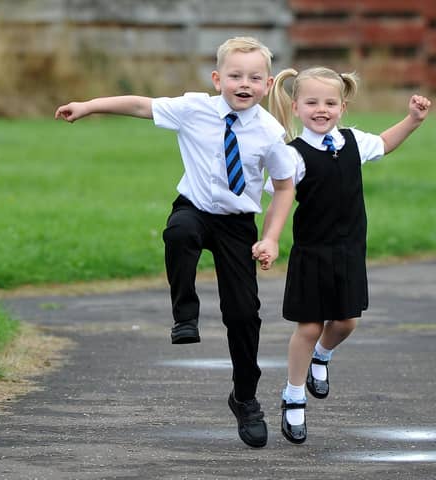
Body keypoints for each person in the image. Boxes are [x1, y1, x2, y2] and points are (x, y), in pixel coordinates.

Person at [54, 37, 295, 448]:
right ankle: (185, 316)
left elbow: (284, 187)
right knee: (179, 232)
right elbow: (138, 105)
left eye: (254, 78)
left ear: (268, 85)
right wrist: (89, 106)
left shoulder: (271, 132)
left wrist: (271, 238)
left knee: (243, 315)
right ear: (218, 78)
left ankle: (246, 397)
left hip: (238, 225)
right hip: (195, 208)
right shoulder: (194, 109)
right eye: (235, 75)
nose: (244, 83)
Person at [260, 66, 431, 444]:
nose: (321, 110)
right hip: (311, 253)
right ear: (296, 105)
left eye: (330, 103)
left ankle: (322, 356)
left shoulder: (353, 141)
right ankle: (292, 396)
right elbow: (279, 203)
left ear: (343, 105)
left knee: (346, 322)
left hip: (349, 251)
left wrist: (413, 120)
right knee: (307, 326)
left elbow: (385, 143)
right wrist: (269, 240)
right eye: (311, 102)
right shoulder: (292, 156)